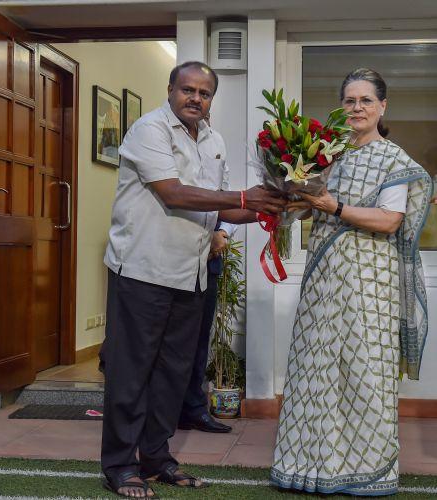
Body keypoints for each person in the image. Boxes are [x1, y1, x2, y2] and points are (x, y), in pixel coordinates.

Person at [101, 60, 286, 498]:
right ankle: (120, 466)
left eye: (204, 93)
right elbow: (174, 192)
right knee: (132, 372)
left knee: (173, 374)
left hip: (192, 273)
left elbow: (220, 207)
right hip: (143, 269)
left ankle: (157, 458)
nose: (195, 99)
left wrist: (276, 206)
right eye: (187, 90)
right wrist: (245, 196)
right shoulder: (150, 130)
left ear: (211, 100)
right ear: (170, 90)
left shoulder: (214, 141)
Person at [270, 68, 432, 496]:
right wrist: (294, 200)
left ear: (382, 106)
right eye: (349, 101)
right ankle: (309, 468)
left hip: (368, 281)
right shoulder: (330, 154)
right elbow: (315, 206)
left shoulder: (394, 160)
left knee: (362, 371)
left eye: (365, 100)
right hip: (324, 279)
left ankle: (368, 472)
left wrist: (333, 205)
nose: (357, 108)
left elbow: (390, 221)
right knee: (316, 366)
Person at [177, 222, 235, 434]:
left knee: (200, 341)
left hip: (208, 267)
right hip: (174, 265)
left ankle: (193, 409)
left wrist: (222, 233)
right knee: (172, 343)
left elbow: (228, 206)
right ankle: (165, 410)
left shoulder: (219, 186)